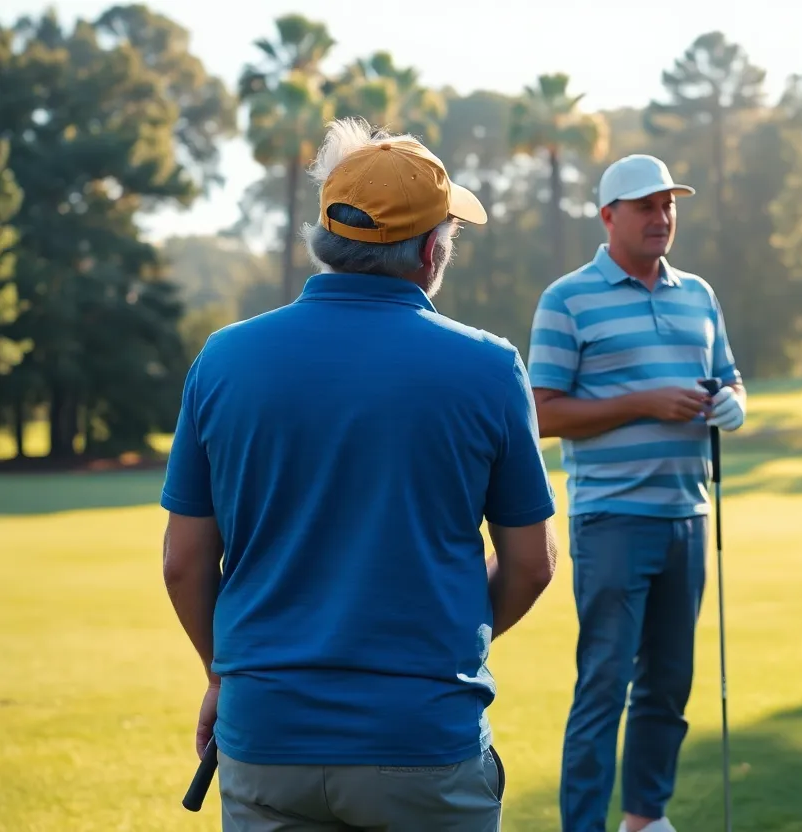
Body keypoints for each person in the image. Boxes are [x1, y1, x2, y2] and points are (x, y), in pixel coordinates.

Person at [160, 116, 559, 832]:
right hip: (423, 743)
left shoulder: (222, 360)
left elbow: (183, 563)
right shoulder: (489, 368)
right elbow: (531, 566)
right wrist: (437, 646)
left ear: (326, 236)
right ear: (431, 251)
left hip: (266, 736)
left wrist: (225, 674)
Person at [526, 154, 746, 832]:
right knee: (603, 687)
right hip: (612, 519)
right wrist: (645, 402)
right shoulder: (567, 299)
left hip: (687, 515)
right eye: (646, 207)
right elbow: (541, 412)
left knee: (667, 688)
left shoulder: (698, 295)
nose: (661, 218)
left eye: (669, 205)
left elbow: (729, 377)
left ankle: (646, 819)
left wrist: (734, 403)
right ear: (608, 216)